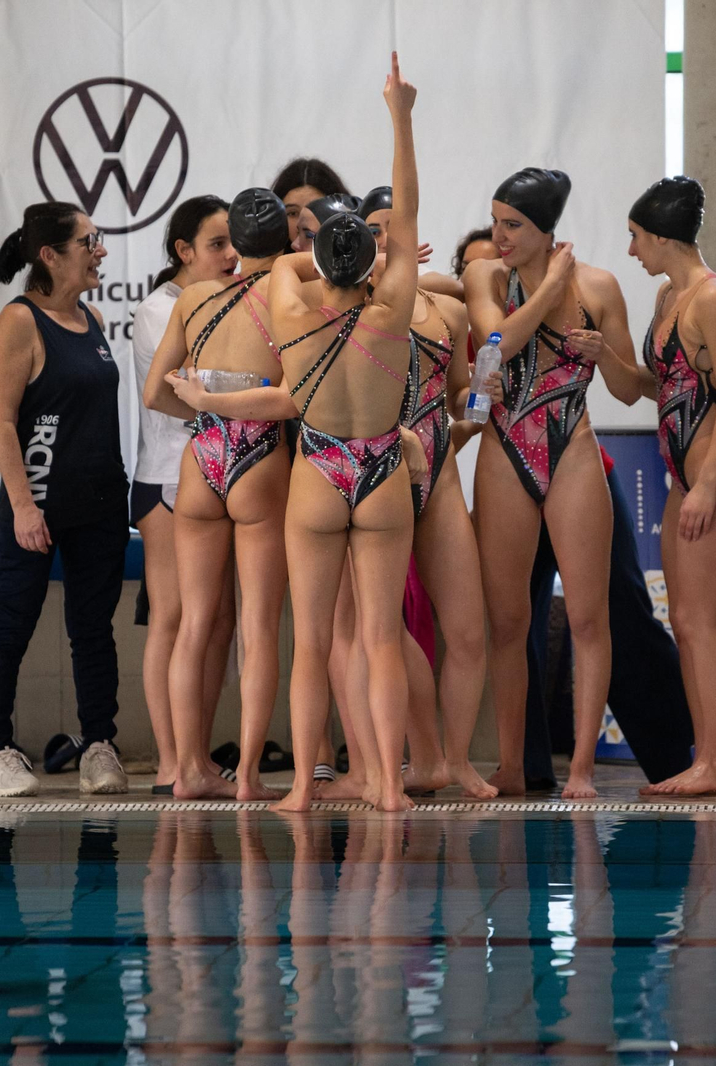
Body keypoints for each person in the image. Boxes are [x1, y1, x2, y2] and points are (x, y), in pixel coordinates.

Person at [268, 54, 424, 813]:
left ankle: (302, 787)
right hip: (383, 466)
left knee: (312, 643)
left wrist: (323, 241)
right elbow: (413, 215)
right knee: (383, 637)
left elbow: (286, 263)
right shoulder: (393, 307)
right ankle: (390, 786)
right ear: (372, 256)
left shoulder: (290, 305)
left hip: (320, 471)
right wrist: (400, 116)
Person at [465, 167, 644, 798]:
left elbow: (630, 387)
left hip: (572, 446)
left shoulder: (601, 286)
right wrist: (549, 289)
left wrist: (606, 355)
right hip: (503, 447)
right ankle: (513, 765)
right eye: (496, 221)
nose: (499, 234)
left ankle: (583, 769)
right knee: (509, 622)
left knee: (591, 617)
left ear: (546, 229)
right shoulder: (485, 275)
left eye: (512, 224)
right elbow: (496, 341)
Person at [0, 202, 130, 797]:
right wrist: (22, 505)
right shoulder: (20, 321)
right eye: (89, 242)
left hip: (99, 504)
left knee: (93, 629)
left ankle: (99, 746)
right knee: (11, 623)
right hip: (37, 501)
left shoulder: (86, 318)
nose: (101, 251)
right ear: (50, 255)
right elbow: (3, 424)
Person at [151, 187, 295, 801]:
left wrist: (205, 402)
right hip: (261, 458)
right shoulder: (292, 297)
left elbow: (156, 393)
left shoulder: (193, 298)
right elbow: (296, 395)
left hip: (201, 458)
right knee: (258, 628)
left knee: (194, 624)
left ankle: (188, 770)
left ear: (235, 242)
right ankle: (251, 778)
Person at [622, 176, 716, 797]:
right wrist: (604, 355)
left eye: (635, 238)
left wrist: (705, 485)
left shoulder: (714, 298)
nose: (632, 251)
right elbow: (663, 385)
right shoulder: (666, 298)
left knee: (700, 618)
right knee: (684, 617)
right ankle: (705, 758)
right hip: (690, 471)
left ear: (660, 236)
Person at [358, 183, 495, 800]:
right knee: (385, 627)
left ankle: (458, 760)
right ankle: (426, 755)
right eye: (376, 230)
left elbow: (463, 394)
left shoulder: (451, 312)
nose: (388, 240)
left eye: (397, 228)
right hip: (376, 473)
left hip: (437, 471)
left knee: (467, 629)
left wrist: (486, 387)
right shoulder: (344, 305)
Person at [129, 196, 240, 795]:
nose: (231, 255)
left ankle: (195, 754)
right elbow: (192, 383)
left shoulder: (219, 301)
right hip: (169, 479)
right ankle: (174, 761)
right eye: (217, 244)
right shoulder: (159, 309)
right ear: (184, 251)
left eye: (234, 244)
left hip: (210, 475)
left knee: (217, 620)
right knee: (174, 620)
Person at [271, 158, 351, 251]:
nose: (301, 224)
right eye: (293, 213)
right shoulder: (266, 263)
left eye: (313, 212)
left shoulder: (360, 261)